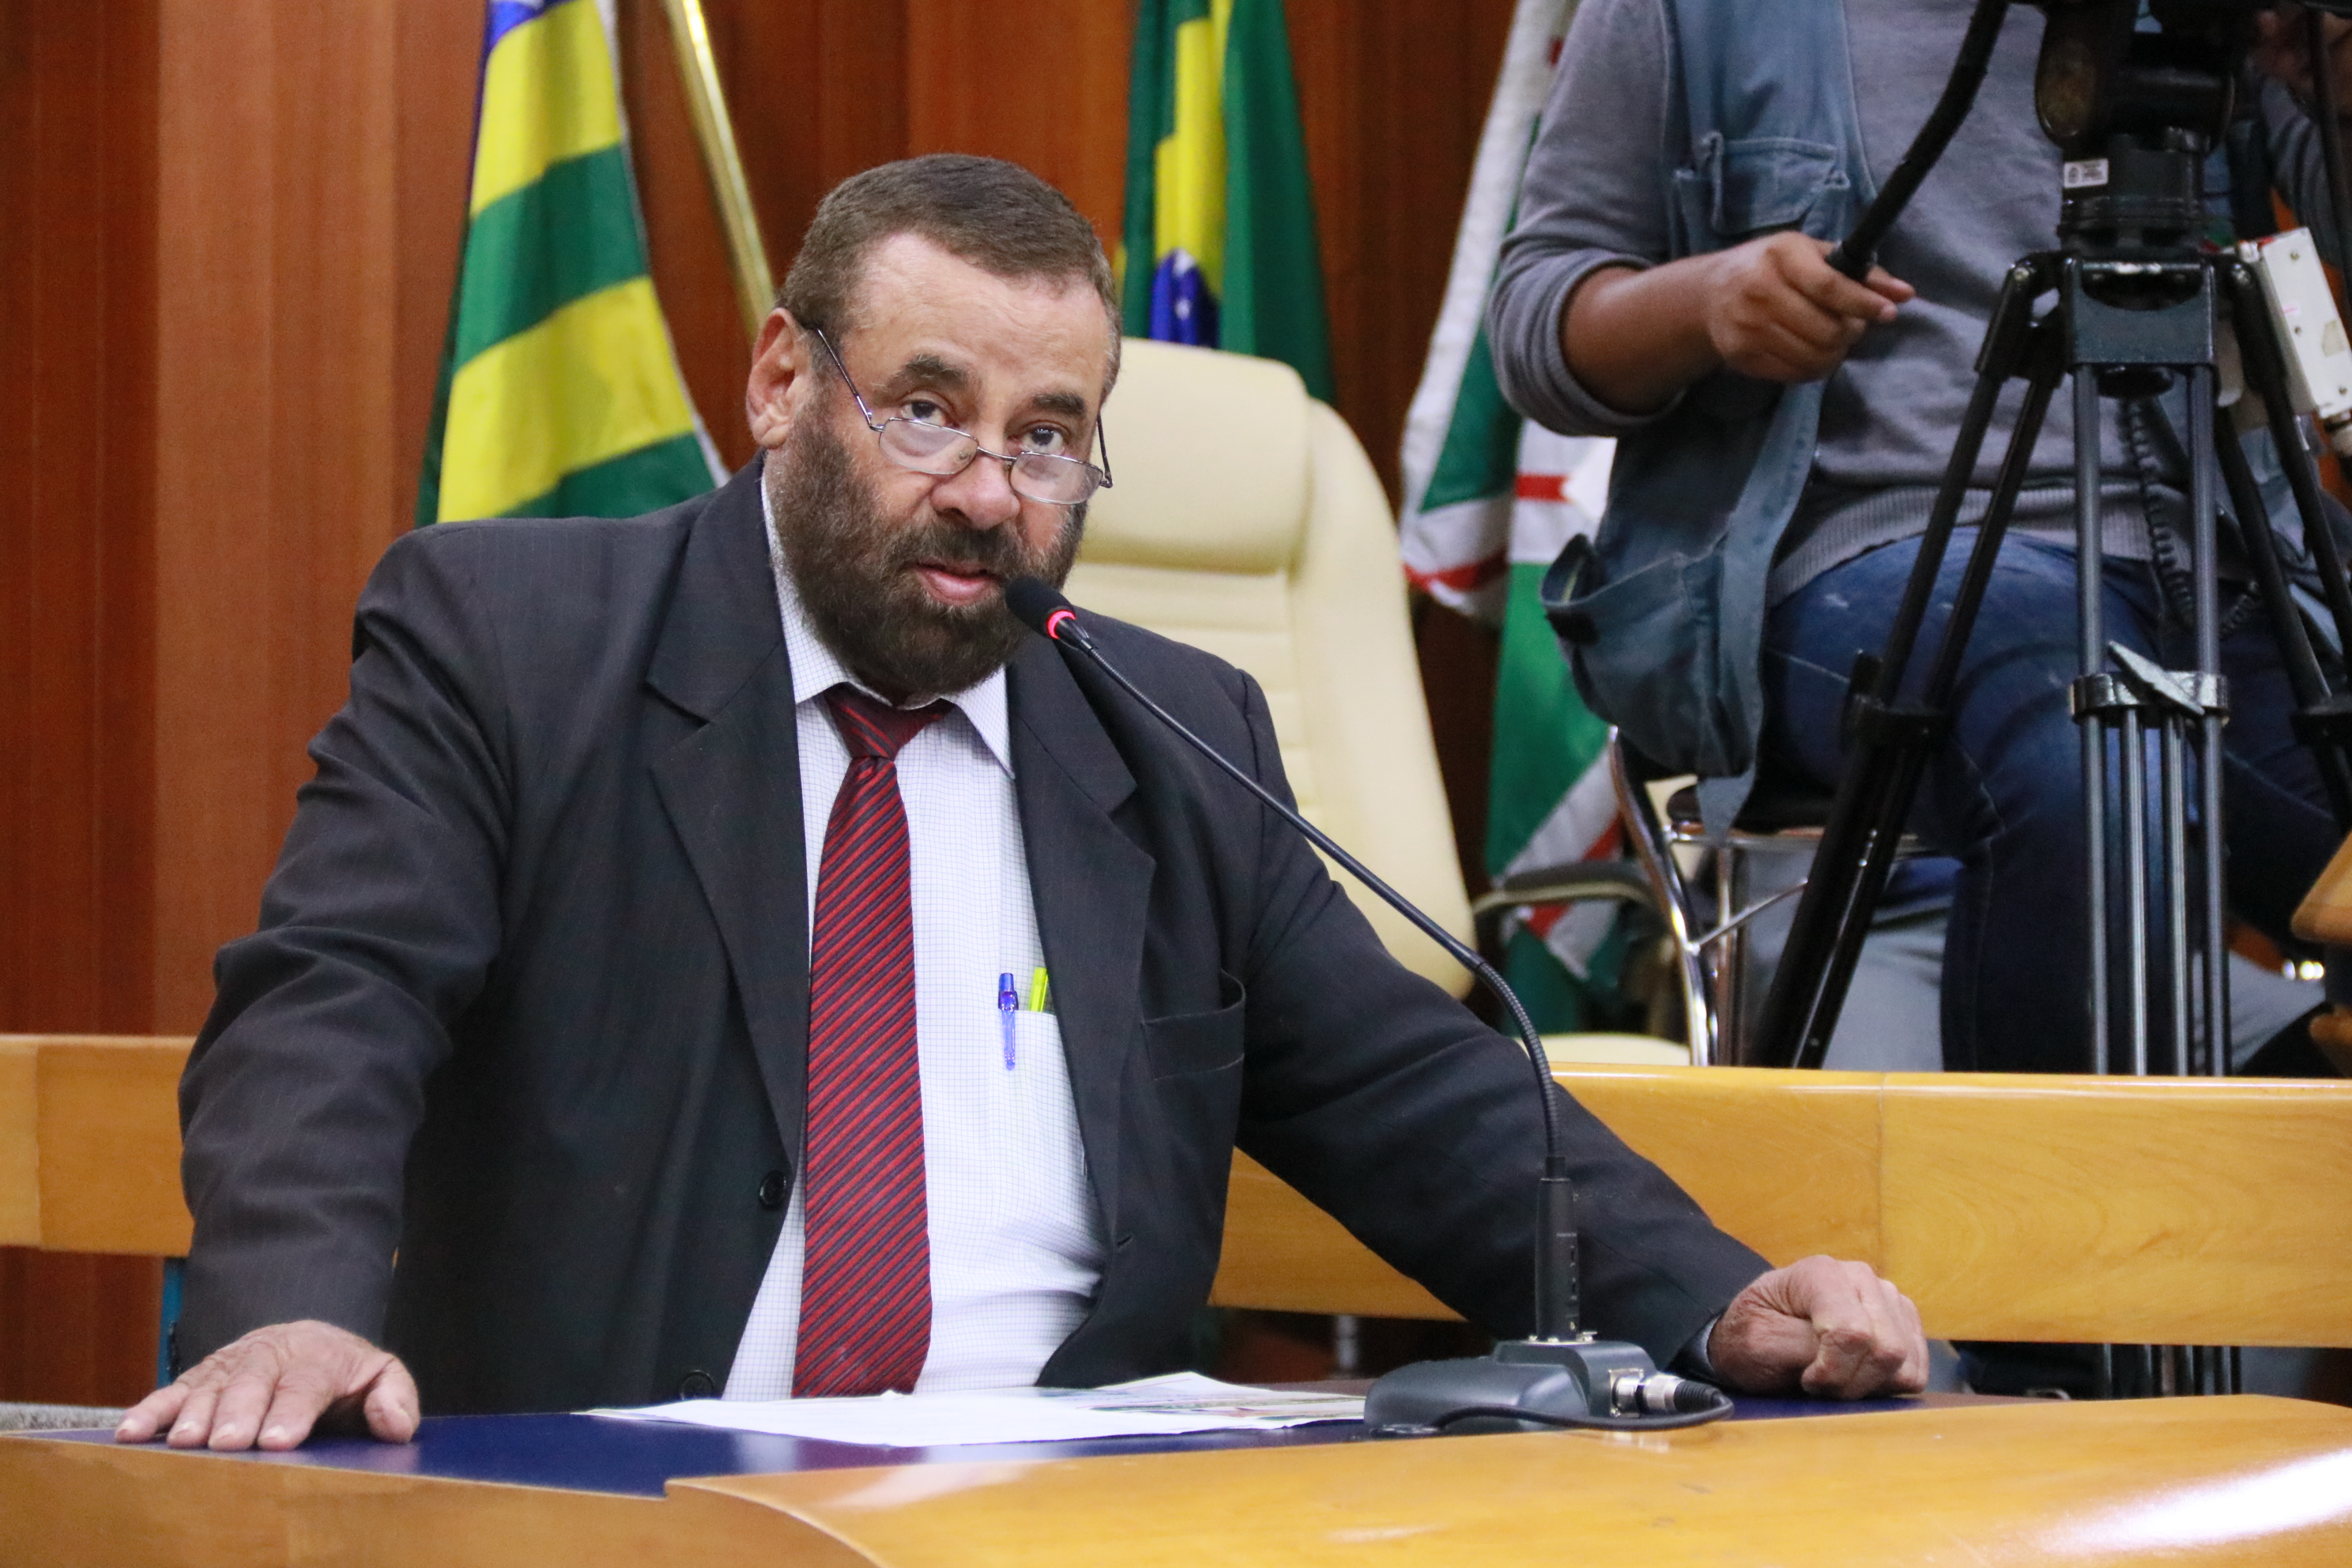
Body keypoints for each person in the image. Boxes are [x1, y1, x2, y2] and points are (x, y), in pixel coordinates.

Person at [117, 155, 1924, 1453]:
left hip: (1065, 1503)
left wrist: (1714, 1298)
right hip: (626, 1492)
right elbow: (336, 996)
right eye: (927, 409)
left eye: (1048, 435)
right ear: (780, 383)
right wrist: (292, 1308)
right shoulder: (514, 639)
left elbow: (1410, 1089)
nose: (990, 491)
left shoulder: (1173, 730)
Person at [1490, 0, 2348, 1084]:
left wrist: (2333, 82)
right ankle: (2045, 1195)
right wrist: (1708, 302)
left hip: (2229, 554)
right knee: (2087, 770)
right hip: (1864, 554)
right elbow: (1536, 322)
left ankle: (2229, 1169)